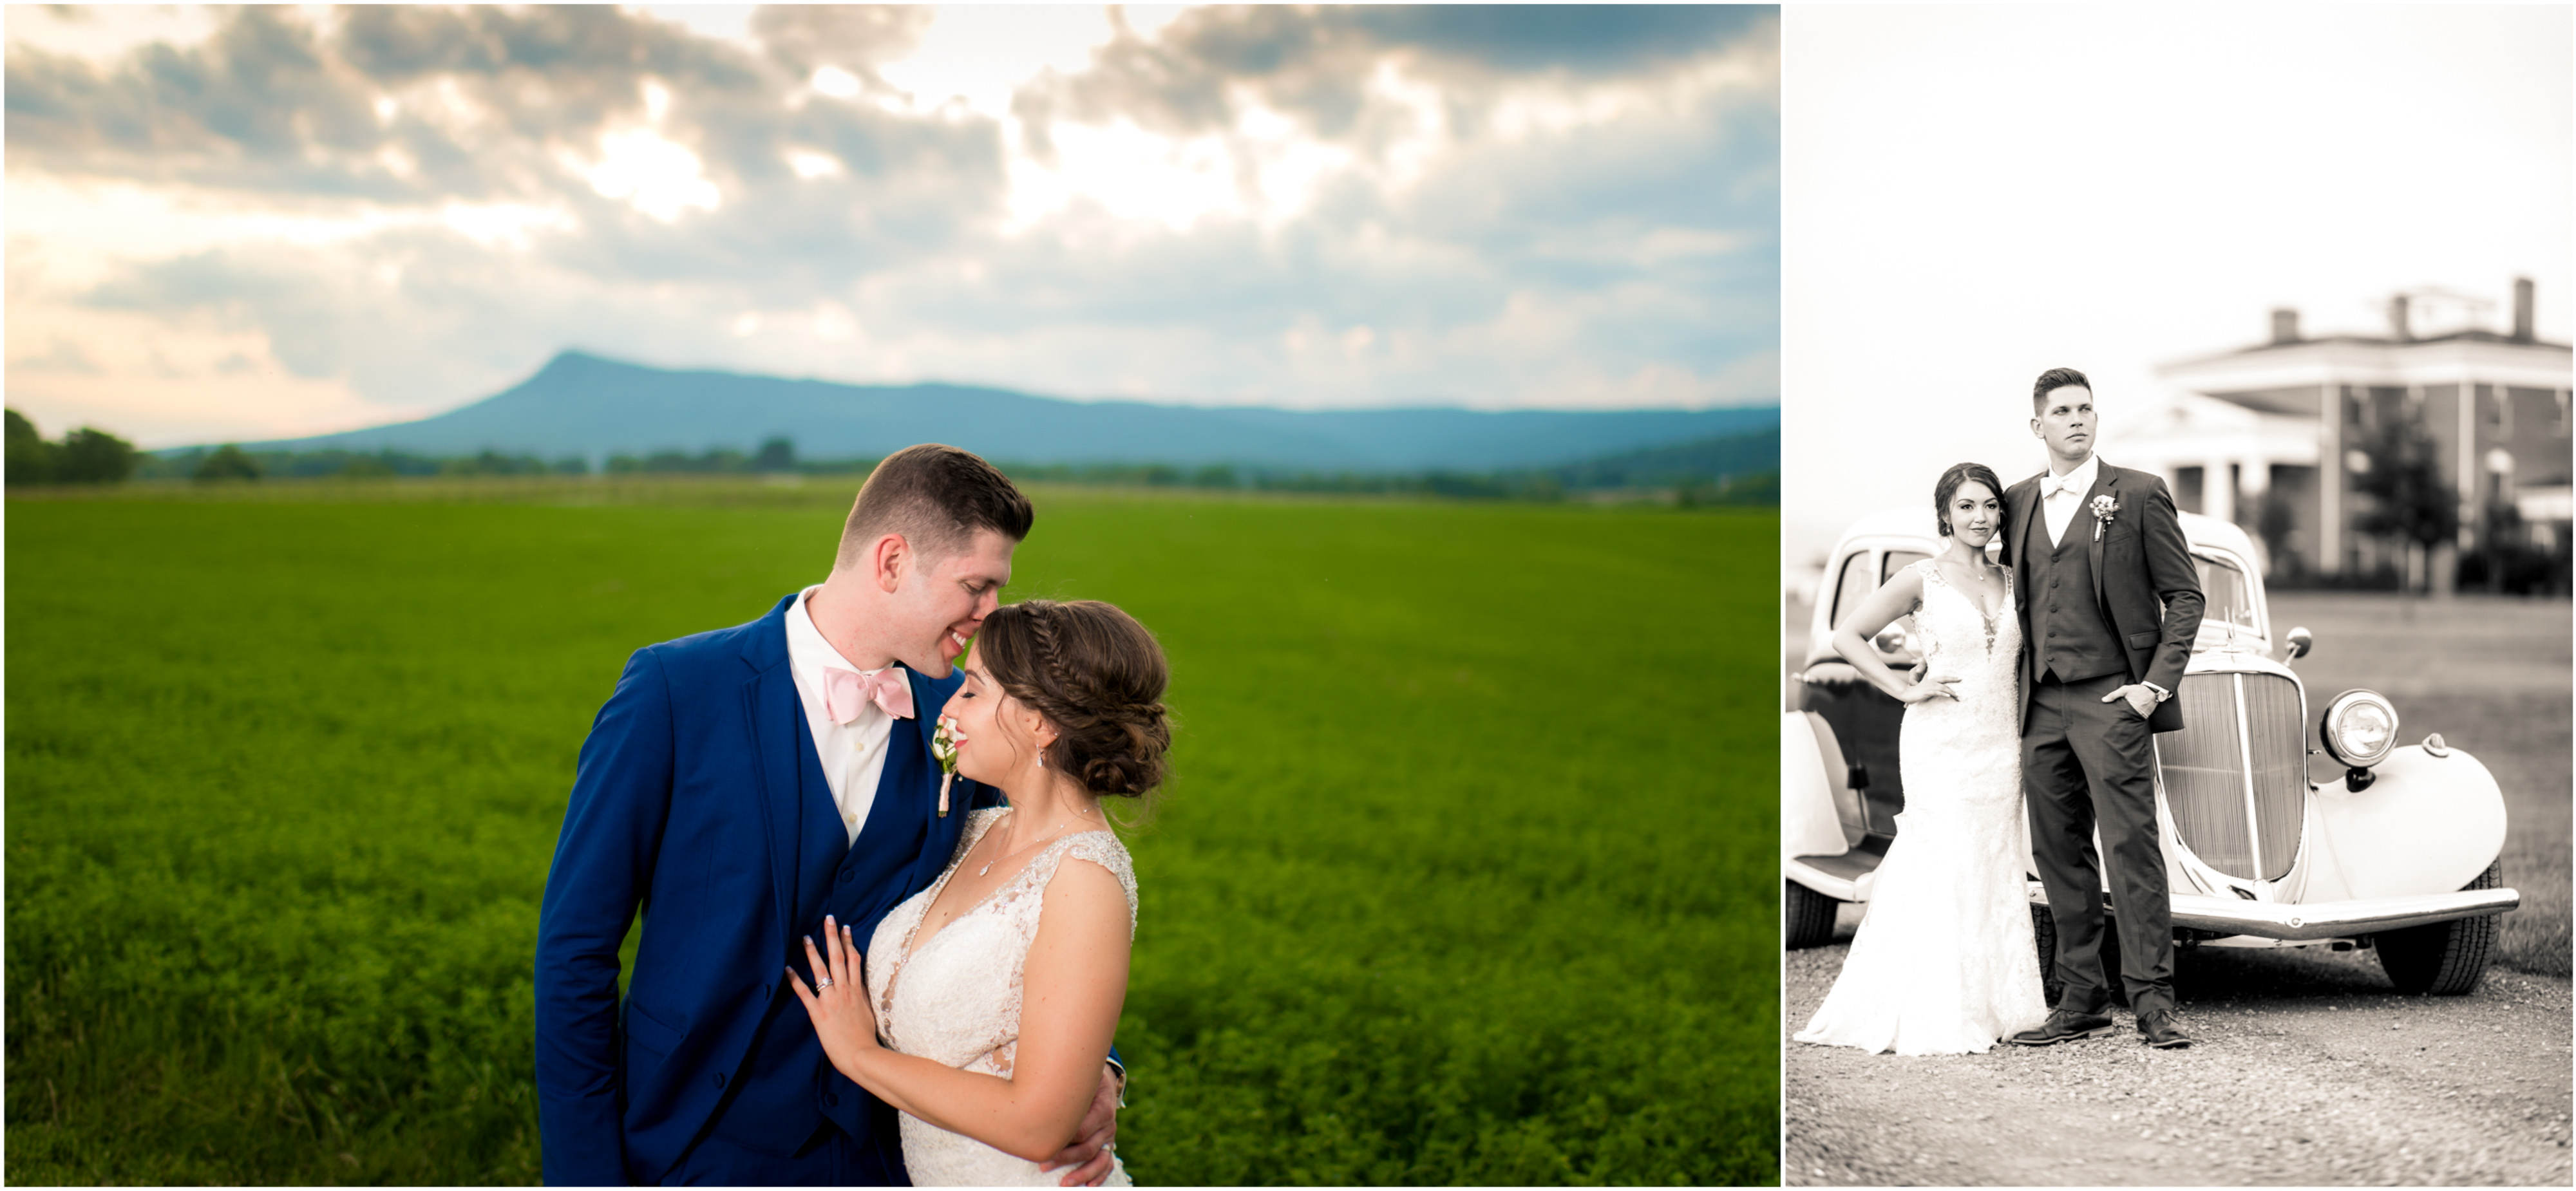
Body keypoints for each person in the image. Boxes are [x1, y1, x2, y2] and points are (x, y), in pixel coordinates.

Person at [535, 445, 1126, 1185]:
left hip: (887, 1148)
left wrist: (1094, 1065)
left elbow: (1035, 885)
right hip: (690, 1139)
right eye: (976, 586)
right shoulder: (674, 692)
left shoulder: (969, 717)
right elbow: (575, 950)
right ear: (890, 561)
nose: (990, 615)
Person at [791, 599, 1167, 1185]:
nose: (948, 707)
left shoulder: (1086, 882)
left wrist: (861, 1056)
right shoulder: (974, 829)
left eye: (972, 689)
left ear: (1040, 722)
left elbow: (1039, 1126)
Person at [1794, 462, 2051, 1055]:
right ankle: (1938, 1004)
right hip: (1939, 739)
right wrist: (1905, 688)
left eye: (1989, 506)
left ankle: (1998, 1004)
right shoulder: (1921, 579)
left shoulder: (2015, 581)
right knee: (1943, 859)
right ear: (1945, 514)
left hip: (1999, 744)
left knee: (1993, 863)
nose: (1980, 517)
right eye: (1966, 507)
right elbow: (1847, 636)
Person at [2000, 368, 2204, 1050]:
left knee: (2129, 848)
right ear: (2039, 426)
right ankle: (2081, 997)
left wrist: (2152, 685)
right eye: (2061, 411)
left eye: (2085, 408)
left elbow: (2185, 596)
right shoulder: (2017, 499)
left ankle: (2152, 1001)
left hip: (2112, 696)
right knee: (2057, 853)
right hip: (2039, 703)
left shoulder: (2138, 494)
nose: (2077, 419)